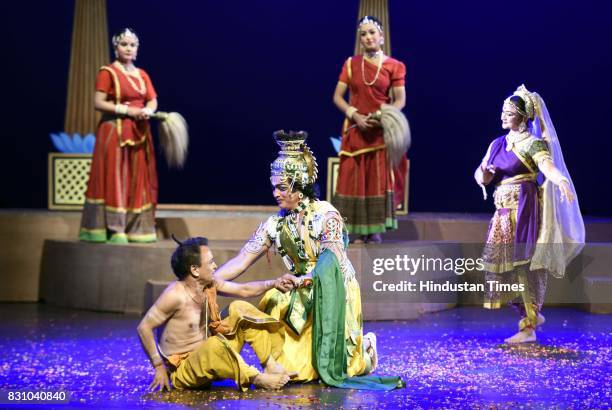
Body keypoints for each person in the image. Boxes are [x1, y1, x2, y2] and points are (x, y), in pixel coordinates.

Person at [213, 130, 402, 390]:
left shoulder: (326, 215)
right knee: (296, 371)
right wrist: (210, 280)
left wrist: (307, 280)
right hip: (298, 293)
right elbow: (243, 258)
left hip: (333, 289)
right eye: (274, 187)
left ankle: (365, 349)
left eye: (281, 187)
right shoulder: (275, 224)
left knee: (333, 369)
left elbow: (331, 259)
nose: (275, 194)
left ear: (298, 186)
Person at [475, 85, 584, 344]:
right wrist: (485, 176)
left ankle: (529, 325)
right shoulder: (497, 144)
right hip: (501, 214)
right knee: (504, 268)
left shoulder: (534, 144)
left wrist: (562, 182)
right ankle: (529, 313)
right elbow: (480, 173)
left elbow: (548, 167)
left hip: (524, 210)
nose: (502, 117)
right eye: (502, 112)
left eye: (509, 113)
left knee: (523, 265)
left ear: (523, 117)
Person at [137, 236, 299, 391]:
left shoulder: (209, 284)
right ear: (194, 270)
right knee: (214, 345)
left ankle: (271, 367)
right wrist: (158, 366)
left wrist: (274, 283)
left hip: (211, 358)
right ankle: (256, 378)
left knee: (239, 307)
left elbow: (243, 290)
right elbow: (144, 327)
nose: (215, 266)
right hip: (185, 371)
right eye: (211, 262)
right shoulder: (174, 295)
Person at [79, 28, 159, 244]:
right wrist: (127, 111)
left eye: (132, 45)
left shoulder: (142, 75)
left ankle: (137, 228)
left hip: (139, 131)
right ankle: (115, 229)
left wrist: (148, 110)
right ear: (116, 47)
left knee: (137, 179)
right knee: (116, 178)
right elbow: (98, 102)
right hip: (114, 130)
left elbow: (152, 99)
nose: (128, 48)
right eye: (124, 44)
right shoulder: (108, 72)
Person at [332, 16, 407, 244]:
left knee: (376, 179)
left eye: (372, 32)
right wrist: (354, 114)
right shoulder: (350, 64)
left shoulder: (395, 66)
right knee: (352, 179)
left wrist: (380, 116)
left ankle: (374, 230)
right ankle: (353, 230)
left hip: (379, 132)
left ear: (381, 37)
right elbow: (337, 97)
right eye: (363, 34)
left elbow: (400, 100)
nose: (368, 37)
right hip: (355, 131)